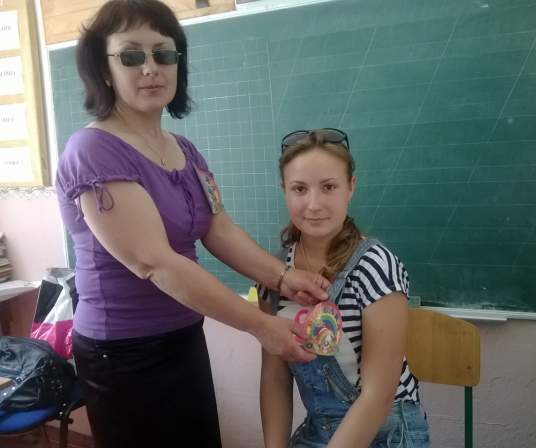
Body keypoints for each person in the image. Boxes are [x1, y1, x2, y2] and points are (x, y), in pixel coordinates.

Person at [54, 1, 330, 447]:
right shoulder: (93, 151)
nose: (151, 68)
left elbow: (219, 229)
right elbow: (154, 262)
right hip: (122, 354)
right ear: (104, 69)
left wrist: (282, 276)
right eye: (131, 55)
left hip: (182, 336)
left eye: (163, 53)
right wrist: (261, 325)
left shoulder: (184, 150)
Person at [258, 129, 431, 447]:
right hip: (320, 429)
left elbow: (378, 395)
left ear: (351, 186)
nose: (313, 205)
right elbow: (274, 378)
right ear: (284, 190)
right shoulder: (275, 272)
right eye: (299, 188)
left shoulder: (376, 266)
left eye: (328, 187)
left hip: (387, 431)